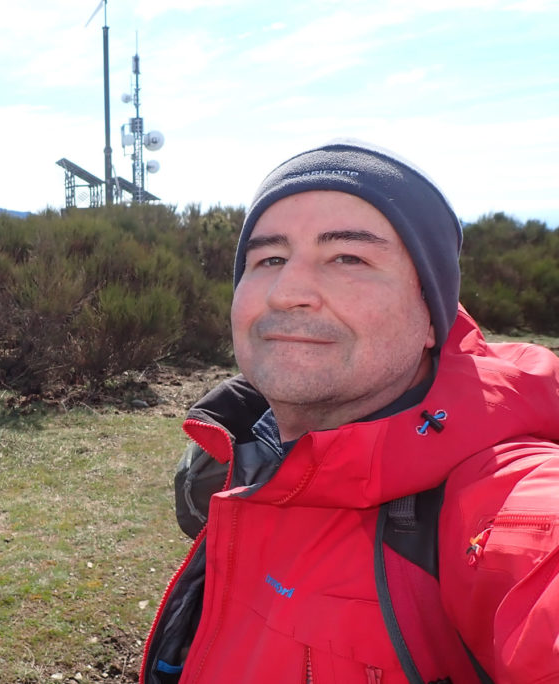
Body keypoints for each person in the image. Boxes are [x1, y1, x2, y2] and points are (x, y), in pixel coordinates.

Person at [140, 140, 559, 684]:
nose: (288, 291)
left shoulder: (506, 498)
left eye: (348, 258)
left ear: (432, 317)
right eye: (269, 258)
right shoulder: (243, 454)